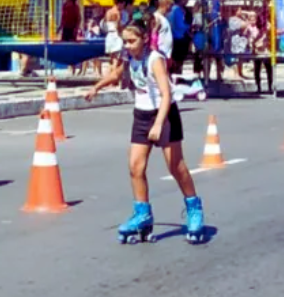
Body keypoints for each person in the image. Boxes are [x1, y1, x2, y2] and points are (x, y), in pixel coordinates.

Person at [84, 19, 204, 241]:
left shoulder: (155, 59)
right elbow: (117, 74)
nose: (128, 45)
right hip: (141, 114)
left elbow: (167, 94)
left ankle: (194, 209)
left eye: (132, 41)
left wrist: (159, 123)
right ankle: (143, 214)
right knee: (135, 168)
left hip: (164, 114)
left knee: (176, 167)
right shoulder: (128, 56)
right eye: (125, 41)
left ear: (144, 39)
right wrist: (96, 87)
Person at [169, 0, 191, 74]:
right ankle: (177, 75)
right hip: (179, 37)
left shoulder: (171, 9)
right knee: (178, 60)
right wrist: (190, 27)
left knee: (174, 58)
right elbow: (180, 25)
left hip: (172, 37)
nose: (187, 0)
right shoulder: (177, 10)